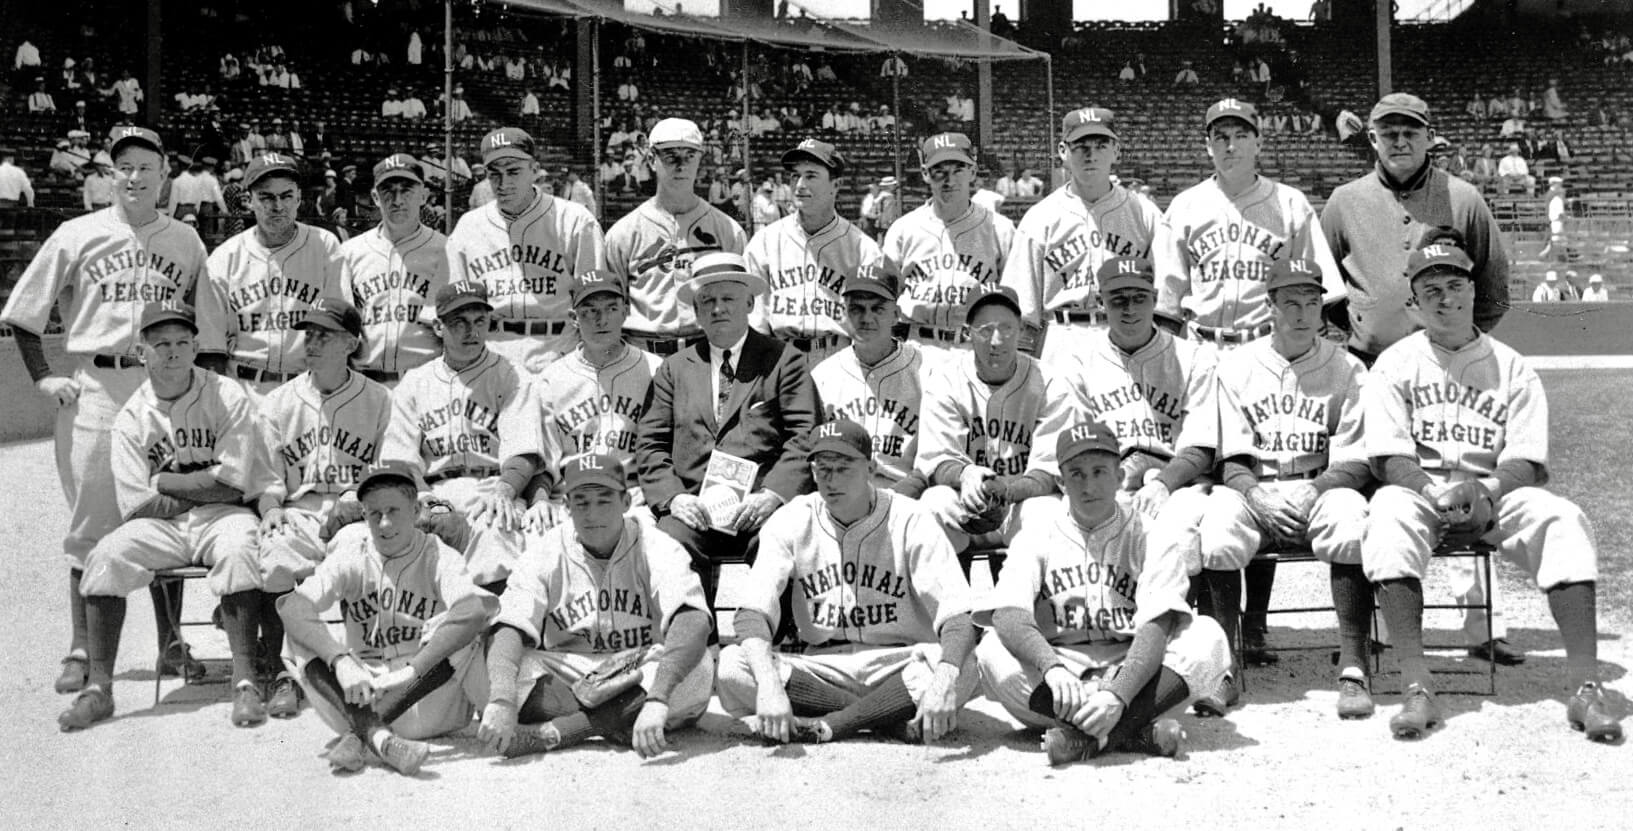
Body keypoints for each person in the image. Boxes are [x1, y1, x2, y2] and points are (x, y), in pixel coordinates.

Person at [1361, 242, 1621, 744]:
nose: (1445, 299)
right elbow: (1389, 456)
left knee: (1562, 519)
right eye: (1430, 290)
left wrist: (1487, 488)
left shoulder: (1512, 366)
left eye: (1455, 285)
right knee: (1388, 515)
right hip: (1423, 490)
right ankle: (1416, 684)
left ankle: (1585, 687)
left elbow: (1527, 457)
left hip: (1494, 490)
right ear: (1414, 302)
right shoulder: (1394, 365)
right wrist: (1433, 493)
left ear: (1474, 290)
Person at [2, 126, 210, 699]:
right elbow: (22, 314)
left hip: (164, 387)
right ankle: (82, 649)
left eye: (147, 166)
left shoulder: (186, 241)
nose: (135, 177)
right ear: (111, 175)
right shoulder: (77, 233)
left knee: (166, 512)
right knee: (93, 521)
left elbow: (206, 322)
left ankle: (170, 642)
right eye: (125, 167)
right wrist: (45, 376)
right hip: (97, 383)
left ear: (165, 174)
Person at [57, 301, 268, 731]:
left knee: (240, 547)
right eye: (161, 344)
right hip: (163, 525)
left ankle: (245, 682)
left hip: (224, 515)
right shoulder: (131, 415)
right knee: (106, 555)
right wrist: (200, 485)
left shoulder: (227, 394)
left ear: (195, 348)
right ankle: (99, 688)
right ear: (142, 353)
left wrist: (168, 482)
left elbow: (233, 484)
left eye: (182, 342)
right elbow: (137, 506)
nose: (173, 352)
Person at [973, 420, 1231, 764]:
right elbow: (1008, 613)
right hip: (1060, 669)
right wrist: (1051, 668)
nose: (1088, 484)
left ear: (1120, 477)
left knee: (1207, 636)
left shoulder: (1151, 534)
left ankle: (1089, 737)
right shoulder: (1037, 533)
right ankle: (1135, 731)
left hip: (1132, 666)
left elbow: (1158, 626)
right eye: (1076, 474)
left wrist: (1118, 695)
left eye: (1099, 471)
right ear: (1061, 483)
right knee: (991, 649)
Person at [716, 420, 979, 745]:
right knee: (732, 665)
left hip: (900, 664)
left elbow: (959, 616)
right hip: (824, 667)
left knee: (965, 664)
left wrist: (942, 682)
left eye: (843, 468)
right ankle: (885, 719)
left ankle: (833, 724)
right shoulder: (793, 518)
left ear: (870, 467)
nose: (831, 480)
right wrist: (770, 686)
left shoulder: (911, 519)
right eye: (822, 469)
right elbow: (751, 613)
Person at [1195, 258, 1375, 718]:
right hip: (1256, 489)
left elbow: (1356, 460)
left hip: (1320, 485)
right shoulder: (1236, 366)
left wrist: (1318, 491)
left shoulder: (1349, 369)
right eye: (1290, 302)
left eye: (1312, 302)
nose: (1302, 313)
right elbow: (1231, 459)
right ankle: (1223, 669)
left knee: (1350, 519)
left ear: (1322, 308)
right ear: (1269, 306)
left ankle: (1354, 668)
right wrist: (1256, 496)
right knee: (1216, 528)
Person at [478, 453, 714, 759]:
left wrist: (657, 697)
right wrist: (501, 700)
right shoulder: (546, 549)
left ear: (626, 502)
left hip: (639, 668)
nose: (592, 514)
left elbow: (693, 619)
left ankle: (560, 732)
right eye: (581, 502)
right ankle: (619, 719)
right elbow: (510, 624)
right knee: (496, 670)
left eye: (604, 500)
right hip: (571, 670)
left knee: (699, 666)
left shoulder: (656, 545)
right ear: (566, 507)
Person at [277, 462, 498, 774]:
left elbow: (473, 611)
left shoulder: (437, 554)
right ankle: (380, 738)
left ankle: (362, 734)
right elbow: (293, 607)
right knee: (298, 633)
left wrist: (412, 671)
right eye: (373, 513)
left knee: (463, 629)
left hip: (429, 699)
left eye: (394, 510)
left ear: (417, 509)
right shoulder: (353, 553)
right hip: (358, 694)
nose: (383, 523)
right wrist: (341, 661)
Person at [633, 252, 818, 607]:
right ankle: (695, 646)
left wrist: (772, 496)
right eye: (708, 301)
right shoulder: (674, 369)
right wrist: (674, 498)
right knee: (670, 541)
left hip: (759, 509)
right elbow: (651, 444)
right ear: (697, 311)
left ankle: (759, 645)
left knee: (782, 539)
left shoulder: (784, 361)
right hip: (695, 510)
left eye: (728, 299)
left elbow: (804, 437)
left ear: (749, 303)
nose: (718, 309)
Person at [254, 298, 393, 719]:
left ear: (351, 343)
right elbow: (264, 478)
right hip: (299, 508)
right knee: (274, 555)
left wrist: (357, 506)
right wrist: (270, 507)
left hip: (356, 508)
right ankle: (285, 672)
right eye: (308, 333)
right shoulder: (277, 401)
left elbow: (389, 474)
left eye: (324, 335)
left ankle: (364, 660)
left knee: (356, 555)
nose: (311, 342)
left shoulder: (380, 399)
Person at [1321, 92, 1508, 366]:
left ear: (1430, 137)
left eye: (1410, 132)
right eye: (1389, 134)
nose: (1400, 142)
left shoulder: (1464, 199)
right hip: (1368, 361)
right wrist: (1360, 322)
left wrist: (1456, 335)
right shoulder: (1344, 201)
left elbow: (1494, 290)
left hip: (1446, 362)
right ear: (1373, 139)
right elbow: (1323, 285)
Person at [382, 282, 537, 593]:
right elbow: (399, 459)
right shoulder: (415, 383)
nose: (472, 331)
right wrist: (425, 500)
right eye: (459, 323)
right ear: (438, 326)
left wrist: (506, 490)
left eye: (479, 321)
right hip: (434, 490)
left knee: (496, 533)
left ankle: (493, 634)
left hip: (491, 488)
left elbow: (523, 450)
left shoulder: (512, 375)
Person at [1154, 99, 1342, 346]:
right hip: (1200, 347)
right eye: (1220, 137)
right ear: (1209, 146)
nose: (1230, 146)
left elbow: (1317, 291)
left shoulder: (1291, 203)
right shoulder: (1184, 206)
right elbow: (1167, 301)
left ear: (1259, 144)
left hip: (1267, 344)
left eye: (1241, 136)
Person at [915, 287, 1073, 569]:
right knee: (931, 504)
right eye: (985, 330)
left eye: (1006, 329)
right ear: (968, 333)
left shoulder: (1050, 383)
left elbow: (1048, 473)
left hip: (1021, 502)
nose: (996, 341)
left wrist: (1006, 493)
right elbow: (936, 460)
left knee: (1050, 513)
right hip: (965, 500)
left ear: (1022, 330)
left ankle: (1029, 605)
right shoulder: (944, 380)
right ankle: (951, 605)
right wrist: (965, 474)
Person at [1002, 108, 1161, 368]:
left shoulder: (1144, 213)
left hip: (1126, 338)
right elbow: (1022, 308)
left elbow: (1163, 298)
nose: (1091, 154)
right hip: (1061, 339)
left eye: (1101, 145)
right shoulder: (1040, 217)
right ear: (1063, 151)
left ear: (1116, 151)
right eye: (1080, 146)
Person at [506, 268, 658, 531]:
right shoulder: (551, 379)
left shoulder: (655, 370)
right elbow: (543, 460)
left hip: (632, 501)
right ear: (574, 318)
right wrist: (539, 501)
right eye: (590, 311)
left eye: (611, 308)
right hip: (568, 502)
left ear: (625, 311)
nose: (602, 320)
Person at [447, 127, 603, 376]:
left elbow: (596, 301)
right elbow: (454, 305)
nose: (503, 183)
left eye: (513, 171)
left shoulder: (574, 220)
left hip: (557, 353)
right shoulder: (468, 227)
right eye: (494, 174)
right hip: (491, 355)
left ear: (534, 169)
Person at [196, 152, 345, 397]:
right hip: (244, 390)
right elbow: (211, 350)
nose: (277, 206)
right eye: (266, 197)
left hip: (308, 389)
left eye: (286, 196)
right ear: (249, 200)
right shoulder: (224, 259)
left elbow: (338, 331)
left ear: (298, 198)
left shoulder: (325, 246)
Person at [604, 118, 748, 358]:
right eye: (670, 156)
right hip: (644, 354)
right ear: (651, 160)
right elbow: (611, 307)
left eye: (690, 155)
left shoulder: (728, 230)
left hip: (707, 352)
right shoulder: (623, 233)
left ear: (700, 160)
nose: (681, 165)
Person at [745, 139, 886, 362]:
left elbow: (874, 326)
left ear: (836, 185)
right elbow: (755, 320)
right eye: (794, 175)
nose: (800, 184)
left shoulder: (862, 248)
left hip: (840, 358)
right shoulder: (764, 242)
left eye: (811, 175)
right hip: (779, 357)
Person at [883, 133, 1015, 364]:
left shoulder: (999, 229)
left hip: (974, 349)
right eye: (939, 171)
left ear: (973, 172)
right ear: (925, 174)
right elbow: (884, 298)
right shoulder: (903, 229)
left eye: (958, 170)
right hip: (915, 347)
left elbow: (1015, 302)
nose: (949, 180)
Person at [811, 265, 925, 491]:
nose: (866, 318)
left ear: (896, 314)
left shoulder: (925, 371)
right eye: (857, 309)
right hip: (840, 496)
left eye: (877, 309)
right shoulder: (823, 376)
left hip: (907, 496)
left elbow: (935, 456)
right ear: (844, 313)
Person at [338, 154, 449, 385]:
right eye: (388, 190)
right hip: (366, 384)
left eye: (407, 189)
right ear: (375, 197)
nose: (397, 200)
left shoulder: (446, 250)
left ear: (424, 196)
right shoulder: (349, 252)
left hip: (425, 384)